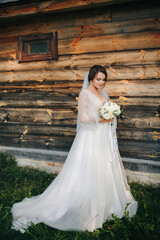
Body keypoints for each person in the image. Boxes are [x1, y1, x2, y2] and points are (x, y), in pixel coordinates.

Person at [11, 65, 138, 233]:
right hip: (90, 137)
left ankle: (106, 200)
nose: (101, 82)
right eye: (98, 79)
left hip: (102, 137)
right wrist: (102, 119)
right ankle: (86, 204)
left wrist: (110, 113)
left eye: (103, 79)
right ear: (91, 78)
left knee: (104, 167)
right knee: (88, 168)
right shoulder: (85, 94)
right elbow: (83, 117)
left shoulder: (102, 93)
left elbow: (104, 110)